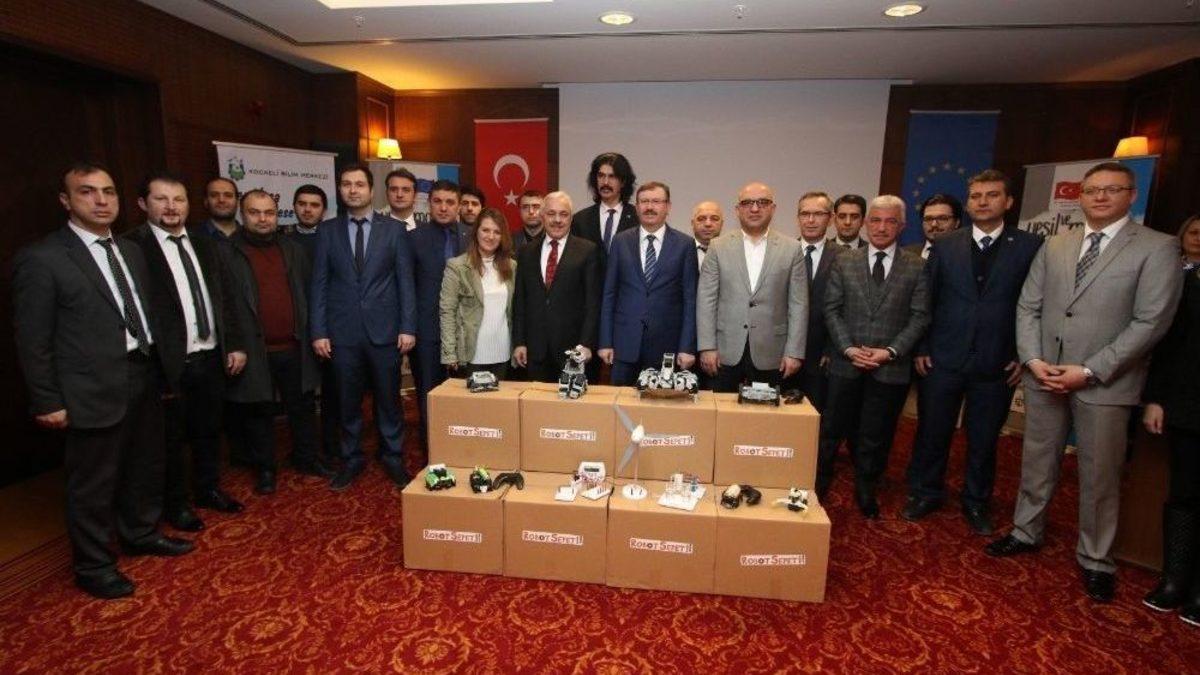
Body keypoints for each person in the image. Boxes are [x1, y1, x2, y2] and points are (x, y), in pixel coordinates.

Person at [986, 162, 1183, 604]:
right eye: (1092, 190)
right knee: (1037, 460)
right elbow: (1029, 306)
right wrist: (1033, 359)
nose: (1100, 197)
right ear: (1080, 196)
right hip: (1045, 374)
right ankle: (1026, 530)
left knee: (1099, 474)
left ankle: (1096, 558)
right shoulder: (1056, 243)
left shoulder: (1157, 247)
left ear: (1132, 195)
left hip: (1105, 382)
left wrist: (1090, 370)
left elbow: (1151, 321)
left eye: (1112, 189)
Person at [13, 162, 192, 600]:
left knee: (144, 464)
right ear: (66, 201)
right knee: (93, 482)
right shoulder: (43, 259)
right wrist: (46, 400)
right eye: (87, 192)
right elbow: (32, 339)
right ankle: (93, 565)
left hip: (142, 373)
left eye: (108, 191)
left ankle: (140, 533)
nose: (101, 201)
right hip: (90, 388)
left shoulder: (130, 250)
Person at [903, 171, 1042, 534]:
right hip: (943, 357)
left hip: (998, 361)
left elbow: (1035, 305)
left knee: (984, 438)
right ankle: (926, 492)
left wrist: (1023, 354)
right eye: (976, 195)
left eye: (992, 195)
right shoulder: (946, 244)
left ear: (1008, 202)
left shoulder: (1030, 246)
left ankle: (976, 501)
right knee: (932, 431)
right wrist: (922, 346)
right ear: (967, 204)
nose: (982, 201)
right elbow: (927, 300)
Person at [124, 172, 247, 533]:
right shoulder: (133, 248)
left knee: (209, 429)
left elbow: (225, 298)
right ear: (143, 204)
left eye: (178, 199)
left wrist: (234, 343)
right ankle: (175, 504)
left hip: (210, 355)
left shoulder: (205, 244)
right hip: (166, 361)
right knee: (169, 439)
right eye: (161, 199)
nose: (171, 207)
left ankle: (208, 488)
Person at [817, 195, 929, 517]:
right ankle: (819, 480)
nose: (881, 228)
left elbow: (920, 316)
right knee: (831, 428)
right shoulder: (845, 261)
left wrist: (890, 351)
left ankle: (867, 486)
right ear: (867, 224)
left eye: (890, 221)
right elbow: (831, 309)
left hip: (890, 366)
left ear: (902, 226)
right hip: (846, 361)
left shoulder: (917, 266)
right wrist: (848, 348)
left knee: (876, 433)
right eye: (876, 220)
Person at [310, 163, 417, 491]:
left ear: (371, 190)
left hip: (385, 331)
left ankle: (392, 455)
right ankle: (352, 458)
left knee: (389, 399)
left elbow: (405, 282)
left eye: (359, 184)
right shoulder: (327, 231)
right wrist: (319, 331)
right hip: (341, 334)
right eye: (346, 184)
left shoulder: (394, 230)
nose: (353, 190)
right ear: (340, 190)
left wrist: (408, 326)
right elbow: (319, 284)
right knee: (348, 401)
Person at [224, 190, 330, 494]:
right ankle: (265, 468)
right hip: (253, 350)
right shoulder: (227, 253)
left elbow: (309, 293)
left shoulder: (293, 249)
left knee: (302, 406)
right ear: (242, 214)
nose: (263, 219)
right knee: (259, 411)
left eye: (269, 212)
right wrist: (233, 344)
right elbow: (224, 304)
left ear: (277, 214)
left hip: (295, 346)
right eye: (255, 212)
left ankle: (306, 458)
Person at [1142, 214, 1200, 625]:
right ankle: (1174, 580)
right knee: (1184, 492)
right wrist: (1156, 398)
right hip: (1188, 406)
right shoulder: (1182, 283)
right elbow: (1166, 346)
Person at [697, 182, 807, 393]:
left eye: (762, 202)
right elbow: (706, 300)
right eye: (747, 203)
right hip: (724, 352)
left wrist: (794, 352)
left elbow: (799, 304)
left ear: (773, 208)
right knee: (721, 410)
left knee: (767, 412)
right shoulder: (718, 246)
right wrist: (707, 347)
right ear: (737, 209)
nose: (755, 208)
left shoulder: (792, 249)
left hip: (773, 353)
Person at [598, 181, 698, 385]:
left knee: (661, 404)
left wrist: (687, 347)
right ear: (636, 207)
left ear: (668, 207)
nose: (649, 207)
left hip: (667, 348)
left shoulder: (685, 245)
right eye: (644, 202)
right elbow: (609, 294)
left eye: (656, 201)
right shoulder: (620, 241)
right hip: (624, 345)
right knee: (620, 402)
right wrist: (605, 341)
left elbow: (690, 300)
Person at [513, 191, 601, 382]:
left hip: (574, 352)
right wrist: (519, 342)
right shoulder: (526, 252)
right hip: (535, 351)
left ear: (571, 218)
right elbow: (520, 301)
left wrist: (586, 343)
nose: (557, 220)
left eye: (564, 214)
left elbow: (593, 304)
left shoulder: (587, 250)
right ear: (542, 216)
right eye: (551, 214)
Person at [409, 180, 471, 428]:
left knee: (466, 396)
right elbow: (406, 287)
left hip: (466, 332)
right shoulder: (413, 238)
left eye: (450, 202)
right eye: (437, 201)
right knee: (430, 396)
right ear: (428, 204)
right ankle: (431, 447)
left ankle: (462, 445)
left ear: (459, 206)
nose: (443, 208)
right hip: (427, 331)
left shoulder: (473, 237)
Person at [287, 184, 339, 465]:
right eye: (302, 204)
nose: (308, 210)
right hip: (296, 329)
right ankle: (305, 452)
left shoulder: (333, 238)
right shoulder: (283, 241)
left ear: (324, 210)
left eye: (314, 205)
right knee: (301, 395)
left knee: (333, 392)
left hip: (331, 328)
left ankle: (332, 447)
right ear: (294, 206)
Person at [440, 207, 517, 379]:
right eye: (485, 230)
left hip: (503, 352)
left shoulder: (512, 267)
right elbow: (447, 311)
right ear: (476, 232)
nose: (491, 236)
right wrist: (449, 353)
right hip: (470, 354)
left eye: (497, 232)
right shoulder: (457, 266)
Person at [793, 191, 842, 411]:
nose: (810, 220)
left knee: (817, 416)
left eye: (818, 214)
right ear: (798, 218)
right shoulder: (783, 252)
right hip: (782, 355)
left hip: (822, 355)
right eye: (805, 214)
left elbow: (846, 309)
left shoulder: (844, 257)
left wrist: (832, 348)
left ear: (830, 219)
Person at [571, 152, 637, 265]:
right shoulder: (580, 219)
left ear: (623, 182)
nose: (605, 182)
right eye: (601, 176)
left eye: (612, 176)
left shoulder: (637, 217)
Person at [904, 194, 962, 259]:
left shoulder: (967, 255)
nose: (934, 224)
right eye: (928, 219)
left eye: (942, 218)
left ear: (957, 223)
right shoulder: (904, 254)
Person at [691, 200, 725, 269]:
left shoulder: (731, 253)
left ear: (722, 224)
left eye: (714, 219)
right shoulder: (681, 251)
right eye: (701, 219)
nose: (708, 224)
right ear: (692, 224)